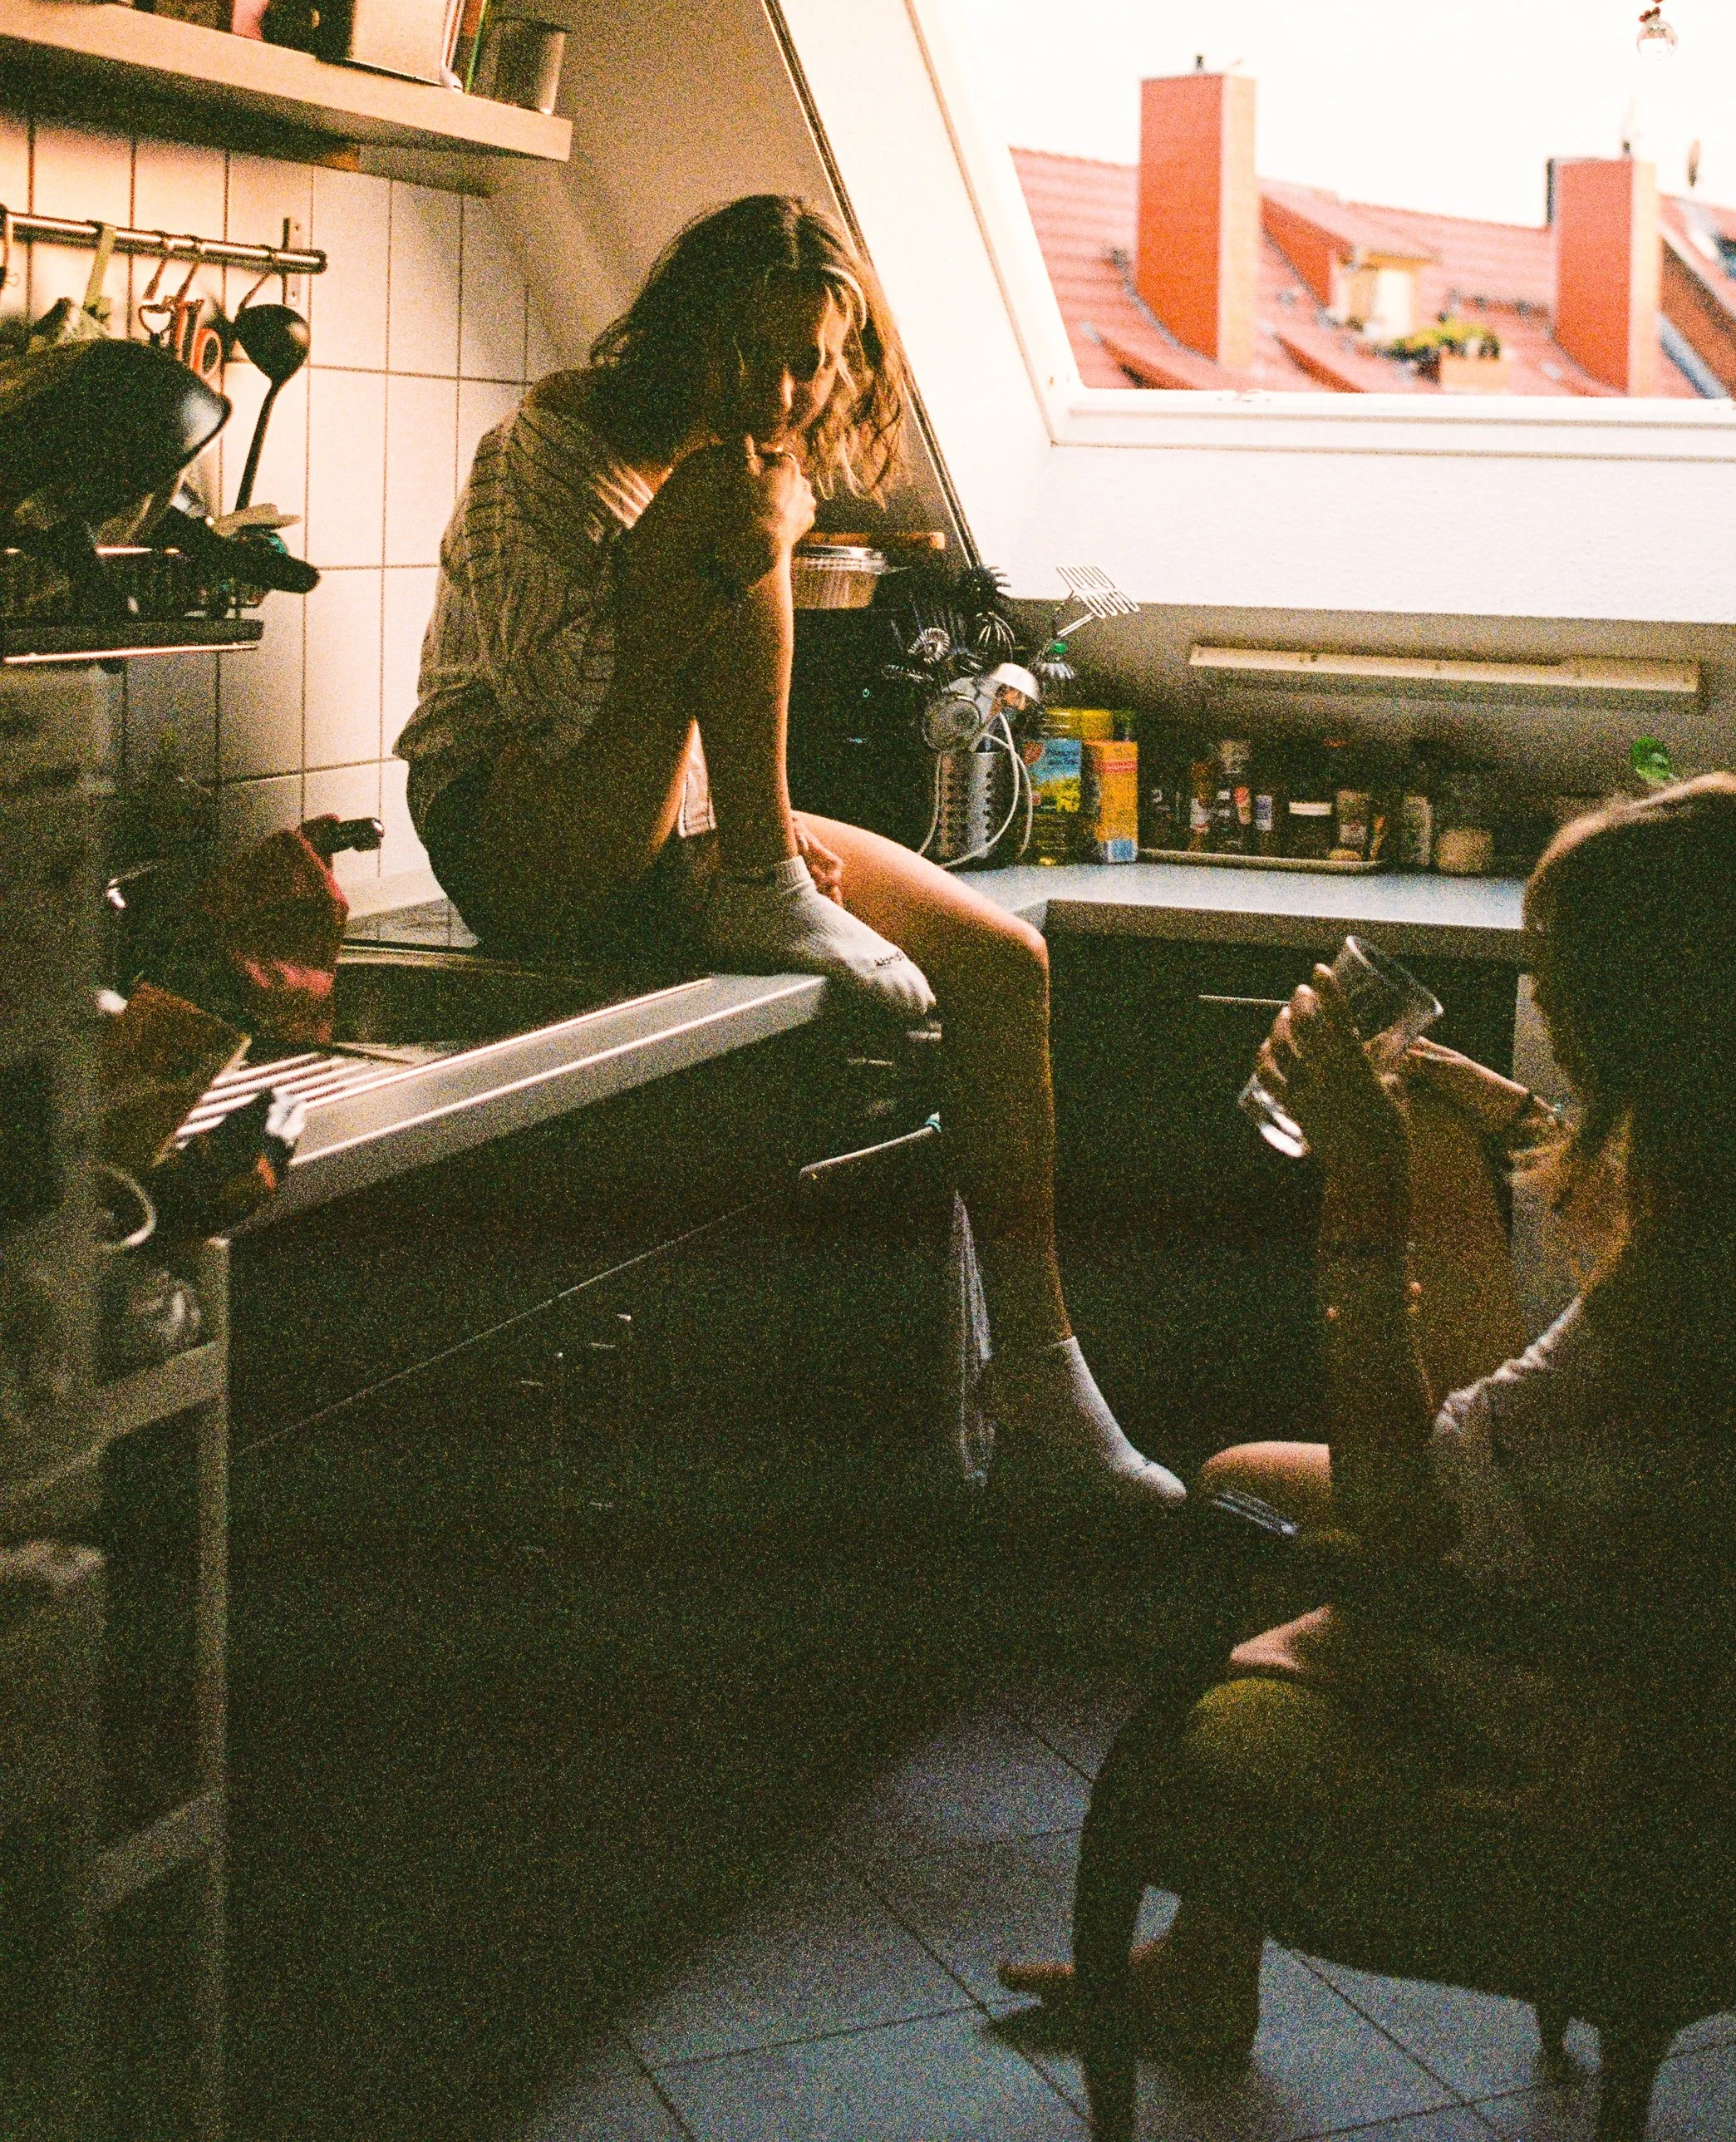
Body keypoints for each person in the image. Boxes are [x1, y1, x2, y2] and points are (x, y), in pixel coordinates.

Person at [1003, 774, 1736, 2057]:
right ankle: (1215, 1951)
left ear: (1663, 1015)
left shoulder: (1700, 1276)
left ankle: (1226, 1896)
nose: (1544, 992)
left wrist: (1366, 1191)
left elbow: (1404, 1502)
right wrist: (1505, 1113)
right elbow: (1612, 1323)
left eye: (1563, 975)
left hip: (1663, 1717)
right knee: (1301, 1472)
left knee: (1246, 1498)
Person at [397, 193, 1182, 1511]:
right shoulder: (547, 448)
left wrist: (722, 824)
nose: (783, 385)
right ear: (685, 328)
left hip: (677, 824)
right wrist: (728, 556)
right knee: (742, 496)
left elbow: (683, 721)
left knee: (1003, 965)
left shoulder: (724, 450)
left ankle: (1043, 1369)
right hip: (514, 820)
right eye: (752, 350)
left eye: (811, 358)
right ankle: (763, 879)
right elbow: (562, 713)